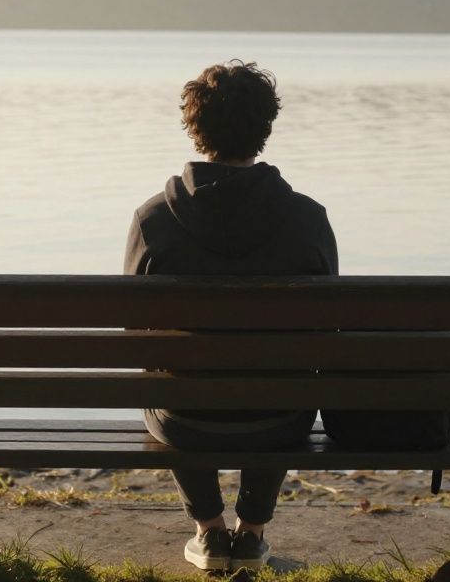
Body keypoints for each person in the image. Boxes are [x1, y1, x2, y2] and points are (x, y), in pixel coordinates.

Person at [124, 60, 337, 571]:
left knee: (170, 376)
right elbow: (327, 331)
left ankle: (210, 532)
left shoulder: (154, 218)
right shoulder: (308, 218)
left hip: (186, 420)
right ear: (265, 128)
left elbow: (135, 333)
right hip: (280, 419)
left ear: (195, 128)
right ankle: (252, 532)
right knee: (286, 376)